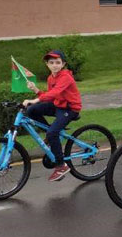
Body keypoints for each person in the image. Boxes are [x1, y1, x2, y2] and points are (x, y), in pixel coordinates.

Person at [22, 49, 83, 182]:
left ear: (63, 64)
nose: (55, 65)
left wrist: (35, 99)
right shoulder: (51, 78)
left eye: (58, 62)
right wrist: (36, 91)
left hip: (70, 108)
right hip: (58, 105)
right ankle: (51, 135)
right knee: (31, 111)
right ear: (47, 64)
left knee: (52, 132)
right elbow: (50, 96)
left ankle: (61, 166)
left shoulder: (66, 76)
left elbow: (55, 93)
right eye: (51, 62)